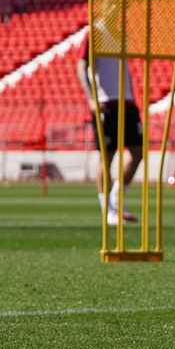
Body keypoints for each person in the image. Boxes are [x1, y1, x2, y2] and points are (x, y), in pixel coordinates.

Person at [77, 40, 140, 226]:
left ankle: (116, 199)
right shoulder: (93, 33)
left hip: (127, 102)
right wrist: (91, 97)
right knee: (107, 156)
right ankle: (107, 209)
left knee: (138, 152)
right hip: (106, 103)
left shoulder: (122, 34)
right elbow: (81, 67)